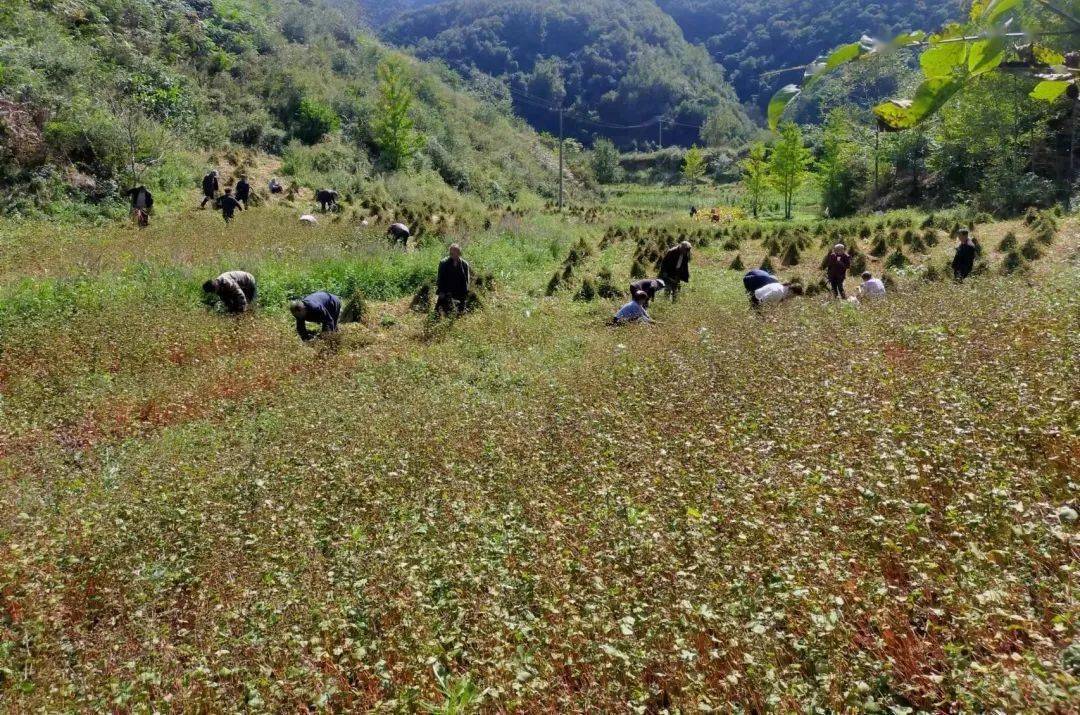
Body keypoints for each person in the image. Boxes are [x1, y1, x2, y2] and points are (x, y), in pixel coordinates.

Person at [436, 243, 471, 317]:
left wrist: (465, 293)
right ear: (450, 253)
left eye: (456, 253)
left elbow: (466, 281)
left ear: (459, 253)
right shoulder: (443, 263)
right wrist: (441, 291)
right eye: (452, 253)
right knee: (440, 311)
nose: (454, 255)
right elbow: (440, 278)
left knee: (460, 313)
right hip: (446, 289)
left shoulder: (464, 264)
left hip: (459, 289)